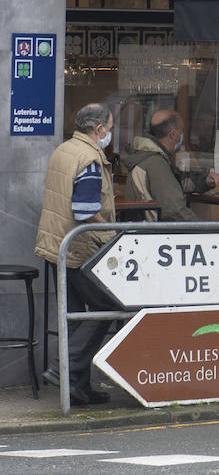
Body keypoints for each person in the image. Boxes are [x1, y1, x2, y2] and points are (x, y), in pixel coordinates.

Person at [33, 103, 120, 406]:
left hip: (56, 244)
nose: (110, 133)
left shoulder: (65, 149)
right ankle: (62, 369)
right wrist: (111, 230)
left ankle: (75, 386)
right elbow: (84, 210)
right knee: (105, 308)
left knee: (74, 315)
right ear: (99, 130)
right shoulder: (89, 157)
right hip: (79, 249)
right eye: (109, 128)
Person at [122, 109, 219, 222]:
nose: (182, 137)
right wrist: (207, 230)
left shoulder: (149, 156)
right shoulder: (155, 163)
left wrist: (205, 180)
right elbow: (174, 211)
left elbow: (176, 180)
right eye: (182, 131)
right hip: (156, 234)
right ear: (173, 134)